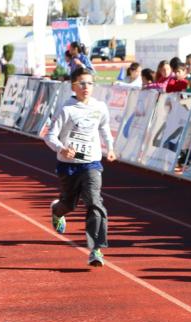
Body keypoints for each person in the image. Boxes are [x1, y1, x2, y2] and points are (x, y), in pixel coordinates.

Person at [44, 68, 116, 267]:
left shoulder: (100, 107)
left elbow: (104, 128)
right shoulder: (67, 109)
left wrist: (109, 148)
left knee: (95, 201)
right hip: (69, 166)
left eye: (90, 83)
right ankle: (58, 211)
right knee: (69, 204)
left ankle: (96, 249)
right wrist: (62, 148)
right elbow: (49, 136)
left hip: (91, 162)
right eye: (82, 83)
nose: (86, 87)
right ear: (73, 86)